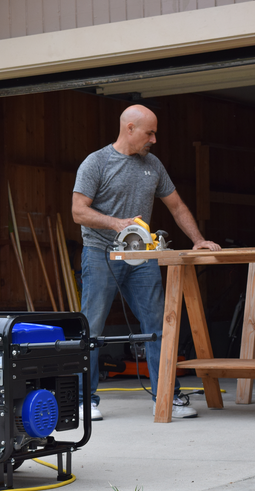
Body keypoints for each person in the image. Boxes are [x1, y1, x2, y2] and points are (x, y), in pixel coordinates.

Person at [72, 104, 221, 421]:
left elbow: (177, 206)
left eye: (155, 132)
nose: (154, 139)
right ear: (129, 128)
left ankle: (166, 395)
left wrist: (197, 240)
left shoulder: (153, 165)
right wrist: (115, 224)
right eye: (149, 132)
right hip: (102, 254)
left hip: (143, 255)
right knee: (93, 326)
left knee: (159, 325)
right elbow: (78, 211)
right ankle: (86, 400)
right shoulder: (96, 163)